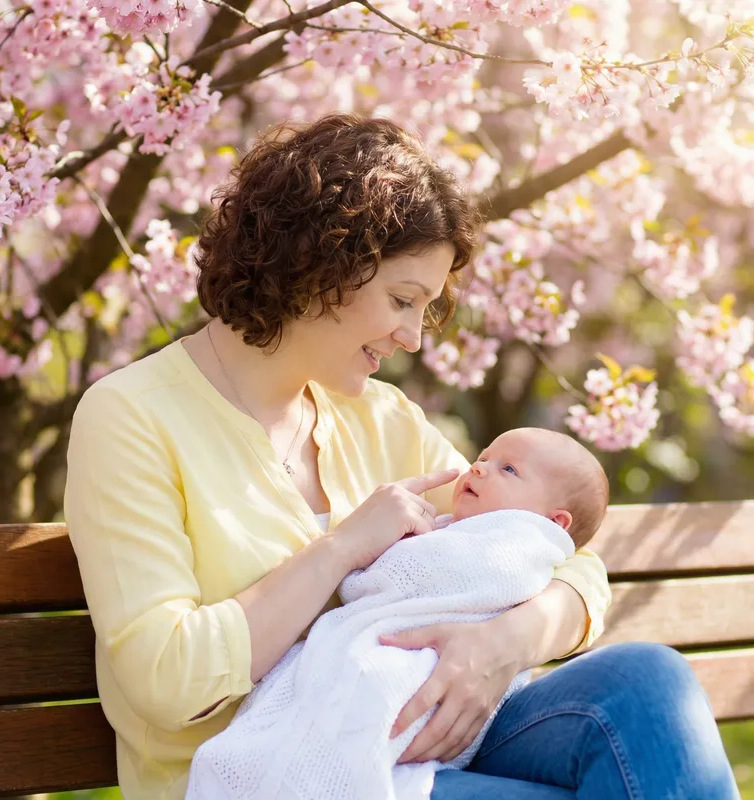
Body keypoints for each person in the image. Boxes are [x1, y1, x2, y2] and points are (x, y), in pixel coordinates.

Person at [64, 113, 738, 800]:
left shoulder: (381, 419)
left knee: (647, 684)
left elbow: (565, 556)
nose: (414, 338)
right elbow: (166, 679)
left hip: (408, 745)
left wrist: (501, 644)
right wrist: (341, 547)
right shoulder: (134, 416)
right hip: (266, 777)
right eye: (402, 299)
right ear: (316, 264)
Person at [184, 427, 610, 800]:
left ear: (553, 522)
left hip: (441, 714)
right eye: (482, 458)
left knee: (647, 674)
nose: (478, 469)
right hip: (419, 748)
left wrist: (512, 637)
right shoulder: (463, 524)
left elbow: (571, 565)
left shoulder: (515, 542)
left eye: (508, 470)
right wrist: (348, 544)